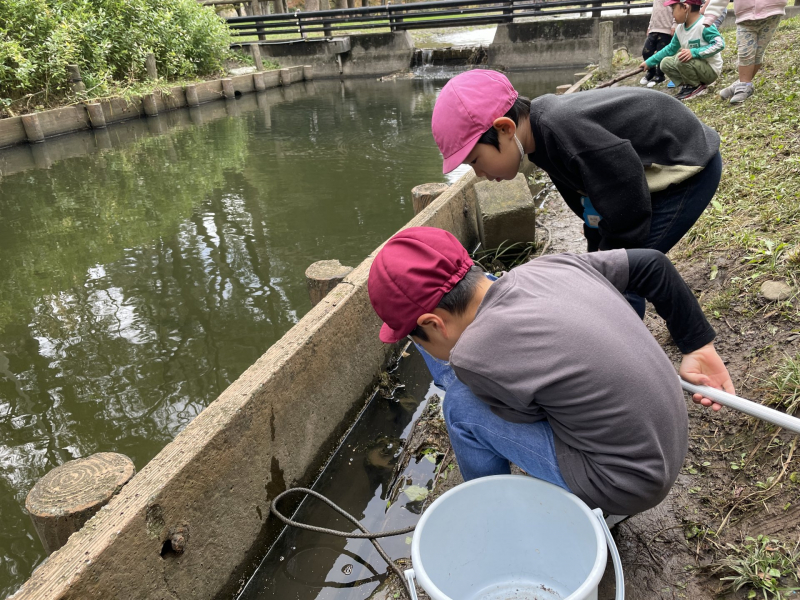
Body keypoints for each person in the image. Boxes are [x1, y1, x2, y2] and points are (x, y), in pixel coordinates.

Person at [367, 226, 734, 516]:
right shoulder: (552, 266)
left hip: (628, 483)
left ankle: (491, 507)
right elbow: (652, 263)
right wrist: (698, 344)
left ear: (433, 323)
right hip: (668, 437)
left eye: (418, 338)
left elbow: (530, 416)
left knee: (461, 406)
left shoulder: (474, 357)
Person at [431, 69, 722, 317]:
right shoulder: (537, 135)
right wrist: (594, 246)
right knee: (607, 267)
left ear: (505, 128)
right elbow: (589, 194)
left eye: (475, 161)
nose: (478, 173)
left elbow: (623, 181)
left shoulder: (562, 128)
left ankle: (637, 347)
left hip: (687, 163)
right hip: (639, 171)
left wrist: (608, 261)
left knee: (622, 273)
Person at [638, 0, 726, 100]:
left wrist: (694, 53)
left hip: (710, 70)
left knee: (681, 58)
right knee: (665, 63)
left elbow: (719, 44)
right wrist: (649, 62)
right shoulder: (680, 29)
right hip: (694, 67)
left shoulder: (704, 25)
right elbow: (670, 49)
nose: (672, 13)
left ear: (685, 7)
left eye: (673, 8)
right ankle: (688, 85)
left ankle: (695, 87)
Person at [703, 0, 788, 104]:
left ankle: (743, 84)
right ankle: (743, 84)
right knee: (745, 53)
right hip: (745, 18)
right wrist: (711, 15)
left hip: (772, 12)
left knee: (758, 52)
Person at [641, 0, 676, 87]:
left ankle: (659, 76)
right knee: (646, 52)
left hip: (666, 29)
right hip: (654, 28)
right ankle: (651, 72)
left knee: (661, 54)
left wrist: (675, 25)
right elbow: (654, 11)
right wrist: (650, 26)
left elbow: (677, 8)